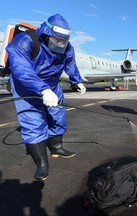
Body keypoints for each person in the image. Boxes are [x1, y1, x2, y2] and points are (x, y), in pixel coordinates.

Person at [6, 14, 86, 181]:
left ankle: (57, 147)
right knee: (33, 122)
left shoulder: (66, 46)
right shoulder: (25, 41)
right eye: (57, 39)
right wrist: (42, 90)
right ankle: (42, 164)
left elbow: (70, 63)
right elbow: (21, 69)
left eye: (64, 39)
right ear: (46, 33)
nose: (61, 43)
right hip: (25, 86)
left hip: (52, 84)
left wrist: (76, 81)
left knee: (58, 116)